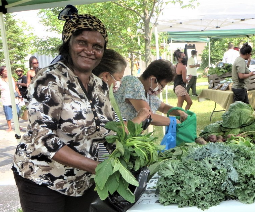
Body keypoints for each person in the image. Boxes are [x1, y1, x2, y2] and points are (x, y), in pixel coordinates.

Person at [11, 12, 149, 212]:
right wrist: (96, 167)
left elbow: (108, 130)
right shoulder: (50, 80)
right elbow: (43, 139)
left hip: (81, 181)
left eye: (97, 47)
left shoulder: (100, 85)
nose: (89, 51)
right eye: (82, 42)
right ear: (69, 43)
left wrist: (128, 141)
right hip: (43, 178)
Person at [114, 59, 188, 127]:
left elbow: (163, 107)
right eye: (161, 86)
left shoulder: (147, 92)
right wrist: (174, 121)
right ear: (152, 79)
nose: (160, 90)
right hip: (119, 132)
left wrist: (179, 112)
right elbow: (148, 116)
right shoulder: (132, 83)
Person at [0, 66, 21, 131]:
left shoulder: (11, 78)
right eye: (4, 71)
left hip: (14, 98)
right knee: (8, 113)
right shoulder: (0, 80)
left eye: (7, 70)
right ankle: (10, 127)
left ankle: (17, 126)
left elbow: (16, 87)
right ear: (1, 72)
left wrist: (19, 94)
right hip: (6, 99)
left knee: (17, 112)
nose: (6, 72)